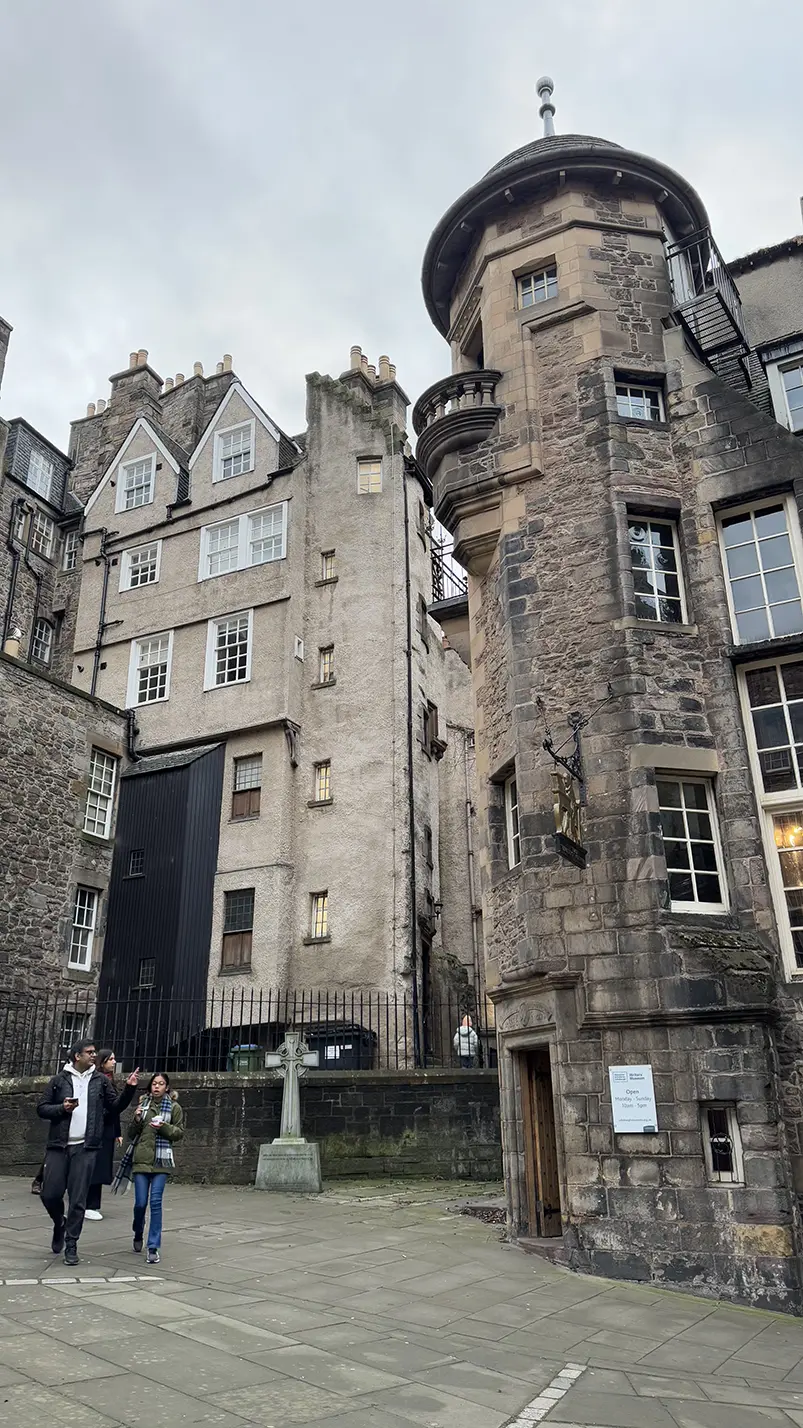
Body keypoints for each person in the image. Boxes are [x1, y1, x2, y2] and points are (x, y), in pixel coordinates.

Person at [37, 1038, 139, 1265]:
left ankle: (71, 1245)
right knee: (50, 1194)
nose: (94, 1055)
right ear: (77, 1056)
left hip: (86, 1147)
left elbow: (114, 1107)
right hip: (59, 1146)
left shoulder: (100, 1081)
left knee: (78, 1199)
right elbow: (42, 1108)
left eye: (94, 1052)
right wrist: (62, 1108)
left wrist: (130, 1089)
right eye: (89, 1052)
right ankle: (59, 1223)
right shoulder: (59, 1080)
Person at [122, 1072, 184, 1265]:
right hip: (141, 1160)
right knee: (140, 1204)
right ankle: (138, 1231)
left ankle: (153, 1247)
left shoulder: (174, 1107)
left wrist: (163, 1126)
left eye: (161, 1083)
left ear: (167, 1087)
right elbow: (131, 1133)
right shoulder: (143, 1105)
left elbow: (179, 1133)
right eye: (154, 1083)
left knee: (155, 1202)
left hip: (161, 1162)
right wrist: (136, 1119)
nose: (157, 1086)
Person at [85, 1049, 124, 1221]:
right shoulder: (98, 1080)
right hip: (97, 1129)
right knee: (95, 1167)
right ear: (102, 1061)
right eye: (111, 1059)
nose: (114, 1062)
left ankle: (91, 1204)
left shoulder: (109, 1080)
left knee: (100, 1168)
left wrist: (117, 1132)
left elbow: (115, 1108)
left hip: (107, 1129)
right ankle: (89, 1204)